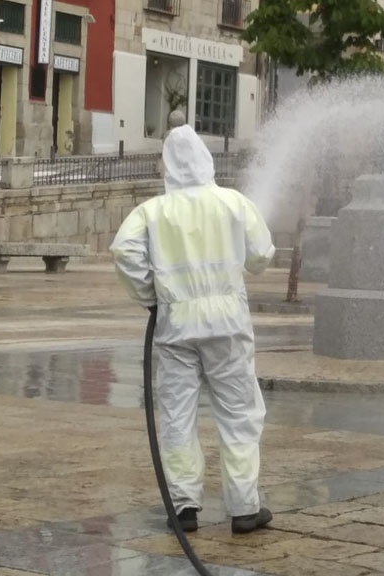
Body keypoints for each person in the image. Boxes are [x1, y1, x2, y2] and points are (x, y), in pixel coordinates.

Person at [110, 124, 276, 535]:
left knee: (178, 416)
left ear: (167, 166)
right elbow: (261, 256)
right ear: (206, 160)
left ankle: (184, 507)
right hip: (228, 325)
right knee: (239, 414)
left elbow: (124, 251)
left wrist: (150, 294)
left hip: (175, 325)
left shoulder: (152, 211)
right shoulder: (234, 203)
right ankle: (244, 508)